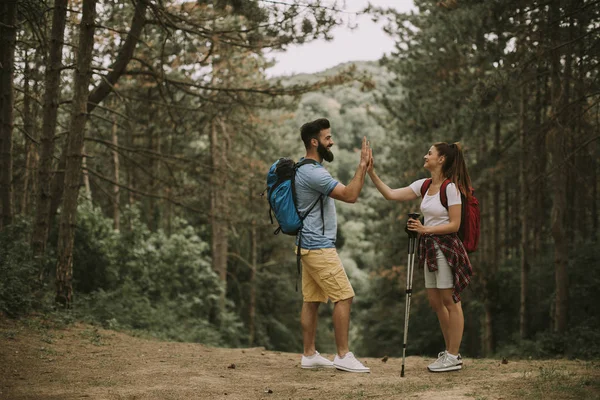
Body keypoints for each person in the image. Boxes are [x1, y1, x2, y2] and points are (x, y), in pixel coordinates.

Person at [367, 142, 473, 373]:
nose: (425, 156)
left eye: (430, 153)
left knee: (450, 300)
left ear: (442, 159)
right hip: (430, 249)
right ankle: (449, 351)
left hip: (446, 248)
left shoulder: (451, 188)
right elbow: (391, 194)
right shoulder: (424, 185)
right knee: (436, 303)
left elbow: (454, 225)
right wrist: (371, 172)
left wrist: (424, 229)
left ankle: (453, 356)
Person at [295, 118, 371, 373]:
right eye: (328, 138)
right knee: (344, 296)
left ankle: (309, 354)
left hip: (306, 244)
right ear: (314, 142)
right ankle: (342, 355)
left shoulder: (302, 168)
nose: (332, 141)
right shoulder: (313, 172)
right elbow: (350, 195)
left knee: (312, 299)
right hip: (318, 246)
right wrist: (362, 166)